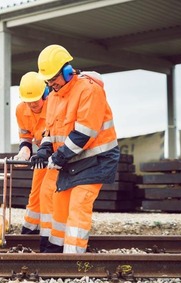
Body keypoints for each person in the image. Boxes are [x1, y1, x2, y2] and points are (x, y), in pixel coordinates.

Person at [31, 44, 120, 253]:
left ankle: (72, 259)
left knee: (78, 206)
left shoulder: (89, 90)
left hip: (96, 160)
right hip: (72, 160)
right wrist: (44, 149)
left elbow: (84, 133)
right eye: (48, 80)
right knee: (60, 205)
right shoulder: (53, 96)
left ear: (67, 71)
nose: (51, 83)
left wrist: (59, 156)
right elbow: (50, 131)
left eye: (54, 78)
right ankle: (54, 252)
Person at [13, 71, 57, 252]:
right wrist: (24, 151)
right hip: (41, 156)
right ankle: (29, 232)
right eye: (28, 101)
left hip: (58, 155)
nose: (32, 105)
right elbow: (26, 137)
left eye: (35, 101)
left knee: (48, 194)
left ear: (45, 94)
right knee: (36, 194)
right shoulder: (21, 110)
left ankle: (49, 239)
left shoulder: (55, 105)